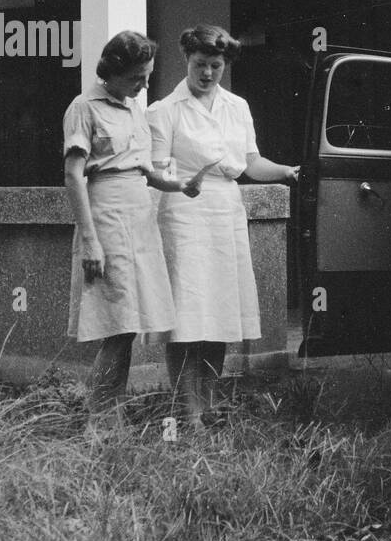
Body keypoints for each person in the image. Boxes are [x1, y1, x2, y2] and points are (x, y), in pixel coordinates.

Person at [147, 24, 299, 425]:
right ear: (187, 60)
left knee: (217, 313)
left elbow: (250, 162)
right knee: (187, 317)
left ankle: (209, 406)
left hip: (225, 212)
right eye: (200, 64)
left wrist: (287, 170)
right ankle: (185, 413)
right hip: (182, 212)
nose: (208, 74)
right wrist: (180, 184)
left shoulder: (238, 106)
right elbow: (155, 171)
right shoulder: (164, 111)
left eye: (216, 65)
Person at [63, 30, 202, 432]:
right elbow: (73, 176)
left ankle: (113, 417)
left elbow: (143, 170)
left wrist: (179, 185)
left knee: (130, 325)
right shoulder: (84, 106)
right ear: (113, 71)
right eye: (137, 78)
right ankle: (99, 422)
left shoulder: (133, 108)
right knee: (117, 327)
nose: (144, 86)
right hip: (106, 218)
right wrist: (89, 238)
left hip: (140, 219)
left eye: (147, 77)